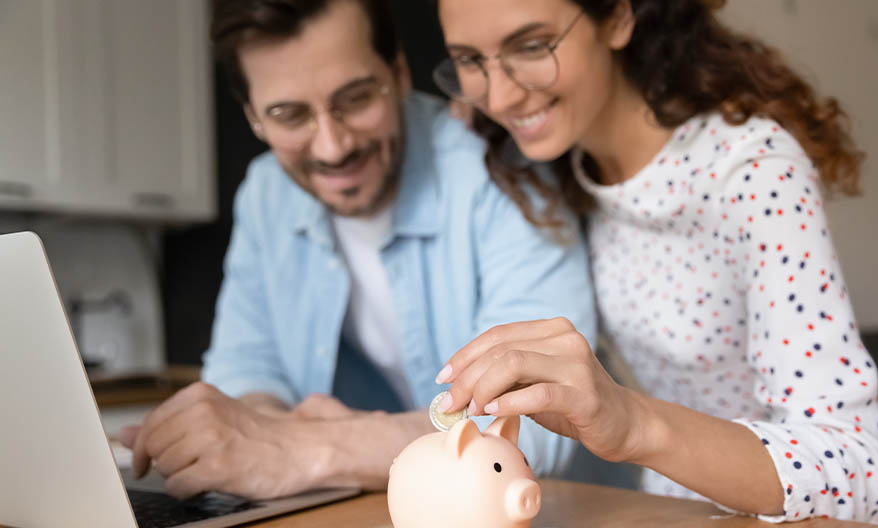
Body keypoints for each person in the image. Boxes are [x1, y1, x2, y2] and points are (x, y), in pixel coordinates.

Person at [433, 0, 878, 526]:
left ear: (617, 17)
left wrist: (634, 422)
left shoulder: (751, 174)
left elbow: (858, 465)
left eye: (531, 46)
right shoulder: (559, 166)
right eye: (470, 59)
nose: (499, 96)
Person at [120, 0, 596, 500]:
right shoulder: (265, 193)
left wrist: (306, 448)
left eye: (356, 99)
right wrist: (254, 434)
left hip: (549, 521)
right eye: (288, 116)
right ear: (253, 118)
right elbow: (247, 369)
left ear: (400, 73)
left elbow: (542, 418)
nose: (331, 146)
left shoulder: (500, 168)